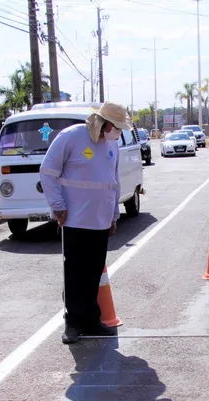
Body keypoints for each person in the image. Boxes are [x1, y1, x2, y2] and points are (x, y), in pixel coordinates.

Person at [39, 101, 132, 344]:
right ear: (105, 124)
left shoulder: (111, 145)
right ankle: (73, 323)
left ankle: (91, 321)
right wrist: (57, 205)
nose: (118, 132)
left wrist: (114, 215)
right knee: (75, 274)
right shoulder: (71, 137)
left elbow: (113, 183)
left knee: (92, 274)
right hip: (74, 220)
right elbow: (48, 172)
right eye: (117, 127)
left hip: (101, 221)